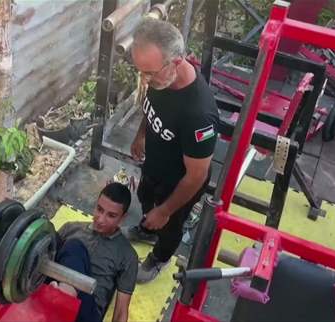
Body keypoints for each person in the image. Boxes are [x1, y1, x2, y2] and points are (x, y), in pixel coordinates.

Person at [124, 18, 220, 283]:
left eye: (150, 73)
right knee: (145, 197)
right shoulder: (160, 79)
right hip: (155, 163)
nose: (144, 79)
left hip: (180, 183)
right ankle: (149, 228)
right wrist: (141, 133)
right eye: (140, 72)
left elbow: (196, 176)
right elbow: (151, 104)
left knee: (170, 225)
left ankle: (160, 257)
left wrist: (165, 210)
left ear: (176, 62)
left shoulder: (199, 115)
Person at [52, 182, 138, 322]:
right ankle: (57, 297)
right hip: (54, 286)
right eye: (99, 209)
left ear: (122, 218)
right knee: (47, 234)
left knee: (75, 247)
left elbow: (121, 311)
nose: (101, 219)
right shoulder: (71, 228)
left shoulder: (128, 256)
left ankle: (61, 298)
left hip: (85, 311)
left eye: (111, 215)